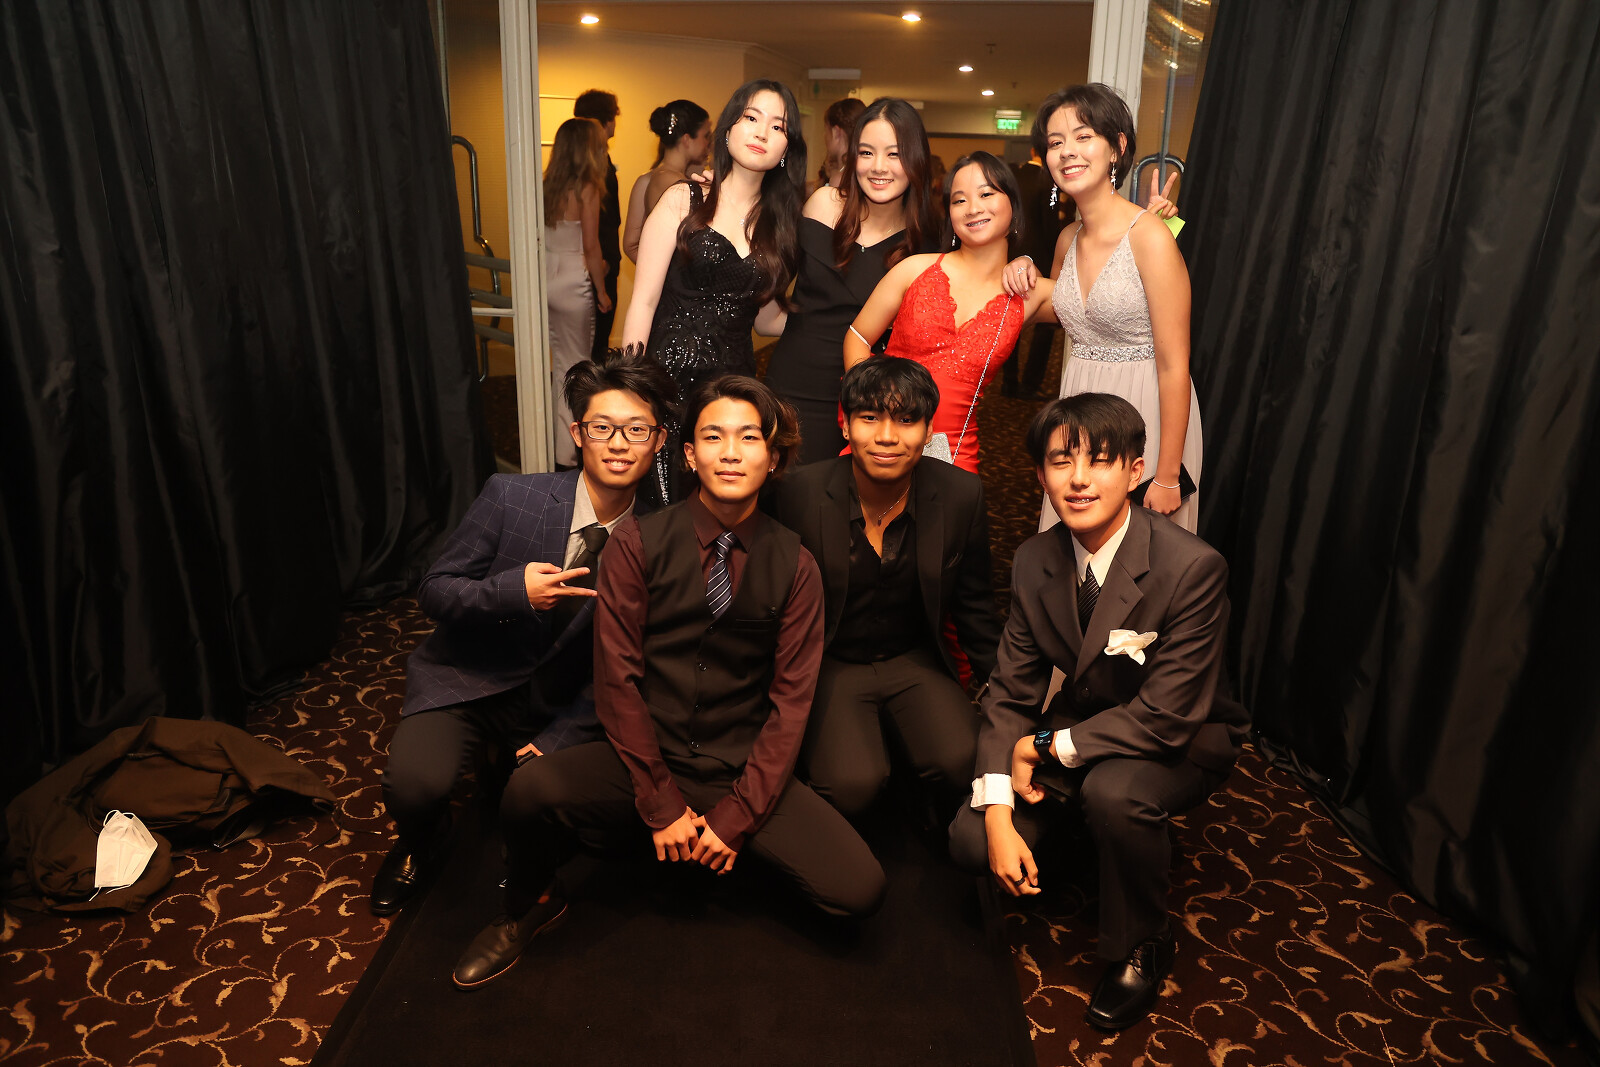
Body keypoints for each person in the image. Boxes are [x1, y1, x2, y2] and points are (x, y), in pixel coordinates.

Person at [451, 375, 886, 988]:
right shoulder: (636, 543)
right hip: (644, 757)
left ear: (773, 457)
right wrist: (658, 802)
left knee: (859, 891)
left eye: (748, 438)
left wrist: (738, 817)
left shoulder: (797, 564)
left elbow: (792, 704)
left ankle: (708, 850)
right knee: (528, 790)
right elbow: (617, 681)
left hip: (737, 764)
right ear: (688, 454)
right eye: (712, 437)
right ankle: (531, 903)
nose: (730, 453)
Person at [948, 393, 1249, 1030]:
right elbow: (1009, 691)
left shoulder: (1192, 567)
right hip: (1086, 722)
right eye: (1062, 461)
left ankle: (1144, 941)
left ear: (1135, 472)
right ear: (1040, 475)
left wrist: (1043, 746)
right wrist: (997, 811)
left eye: (1101, 461)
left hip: (1182, 734)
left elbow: (1167, 715)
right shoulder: (1035, 559)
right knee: (972, 842)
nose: (1079, 479)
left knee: (1114, 793)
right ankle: (1086, 836)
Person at [372, 347, 678, 917]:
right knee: (414, 787)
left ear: (658, 441)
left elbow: (636, 660)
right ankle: (419, 843)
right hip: (470, 679)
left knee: (586, 827)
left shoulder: (662, 536)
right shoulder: (512, 496)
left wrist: (566, 732)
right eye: (602, 427)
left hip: (564, 700)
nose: (618, 443)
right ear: (577, 433)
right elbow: (434, 590)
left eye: (636, 429)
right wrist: (513, 592)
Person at [773, 358, 1000, 820]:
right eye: (870, 418)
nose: (887, 437)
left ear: (929, 429)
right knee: (852, 783)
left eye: (906, 420)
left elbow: (976, 607)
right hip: (829, 661)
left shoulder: (960, 495)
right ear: (844, 423)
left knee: (962, 759)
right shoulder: (797, 494)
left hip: (911, 657)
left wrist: (1008, 696)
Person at [1011, 83, 1203, 532]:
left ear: (1116, 147)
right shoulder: (1067, 239)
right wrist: (1019, 269)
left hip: (1144, 414)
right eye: (1055, 142)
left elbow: (1175, 366)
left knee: (1138, 559)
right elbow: (1066, 309)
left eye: (1083, 136)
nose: (1066, 151)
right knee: (1073, 552)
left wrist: (1168, 473)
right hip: (1078, 404)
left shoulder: (1149, 237)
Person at [621, 79, 806, 504]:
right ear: (727, 130)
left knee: (722, 503)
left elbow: (764, 318)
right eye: (751, 117)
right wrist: (631, 392)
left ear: (787, 147)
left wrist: (830, 319)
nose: (762, 133)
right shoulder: (682, 199)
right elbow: (643, 302)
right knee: (663, 509)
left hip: (732, 389)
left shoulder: (783, 227)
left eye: (778, 126)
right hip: (666, 383)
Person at [844, 151, 1056, 476]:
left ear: (1014, 206)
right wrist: (875, 403)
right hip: (883, 439)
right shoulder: (915, 269)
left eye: (986, 194)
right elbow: (857, 336)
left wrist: (1028, 262)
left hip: (954, 453)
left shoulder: (1030, 292)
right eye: (959, 200)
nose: (972, 208)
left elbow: (1101, 302)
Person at [763, 97, 938, 464]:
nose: (878, 167)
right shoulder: (823, 204)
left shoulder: (927, 239)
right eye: (866, 152)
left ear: (915, 159)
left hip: (869, 401)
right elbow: (767, 301)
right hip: (793, 384)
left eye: (894, 154)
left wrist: (1023, 263)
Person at [542, 117, 613, 467]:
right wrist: (602, 290)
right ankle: (570, 451)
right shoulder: (588, 187)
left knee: (560, 364)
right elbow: (591, 246)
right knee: (578, 366)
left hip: (546, 276)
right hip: (573, 279)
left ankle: (560, 448)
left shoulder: (546, 185)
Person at [1001, 147, 1068, 400]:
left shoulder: (1012, 177)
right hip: (1041, 257)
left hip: (1010, 256)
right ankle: (1031, 383)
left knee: (1010, 321)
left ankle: (1008, 382)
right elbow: (1050, 226)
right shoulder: (1048, 181)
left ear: (1031, 151)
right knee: (1045, 326)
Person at [622, 99, 712, 264]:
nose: (708, 143)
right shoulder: (675, 183)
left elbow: (632, 244)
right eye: (705, 136)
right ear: (687, 139)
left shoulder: (652, 178)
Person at [574, 89, 622, 358]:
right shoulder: (592, 164)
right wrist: (600, 264)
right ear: (606, 120)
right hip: (597, 265)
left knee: (592, 344)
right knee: (593, 347)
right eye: (614, 116)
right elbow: (591, 223)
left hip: (599, 263)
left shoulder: (585, 159)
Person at [812, 96, 867, 194]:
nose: (824, 136)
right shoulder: (861, 173)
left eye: (826, 130)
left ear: (836, 133)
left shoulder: (840, 180)